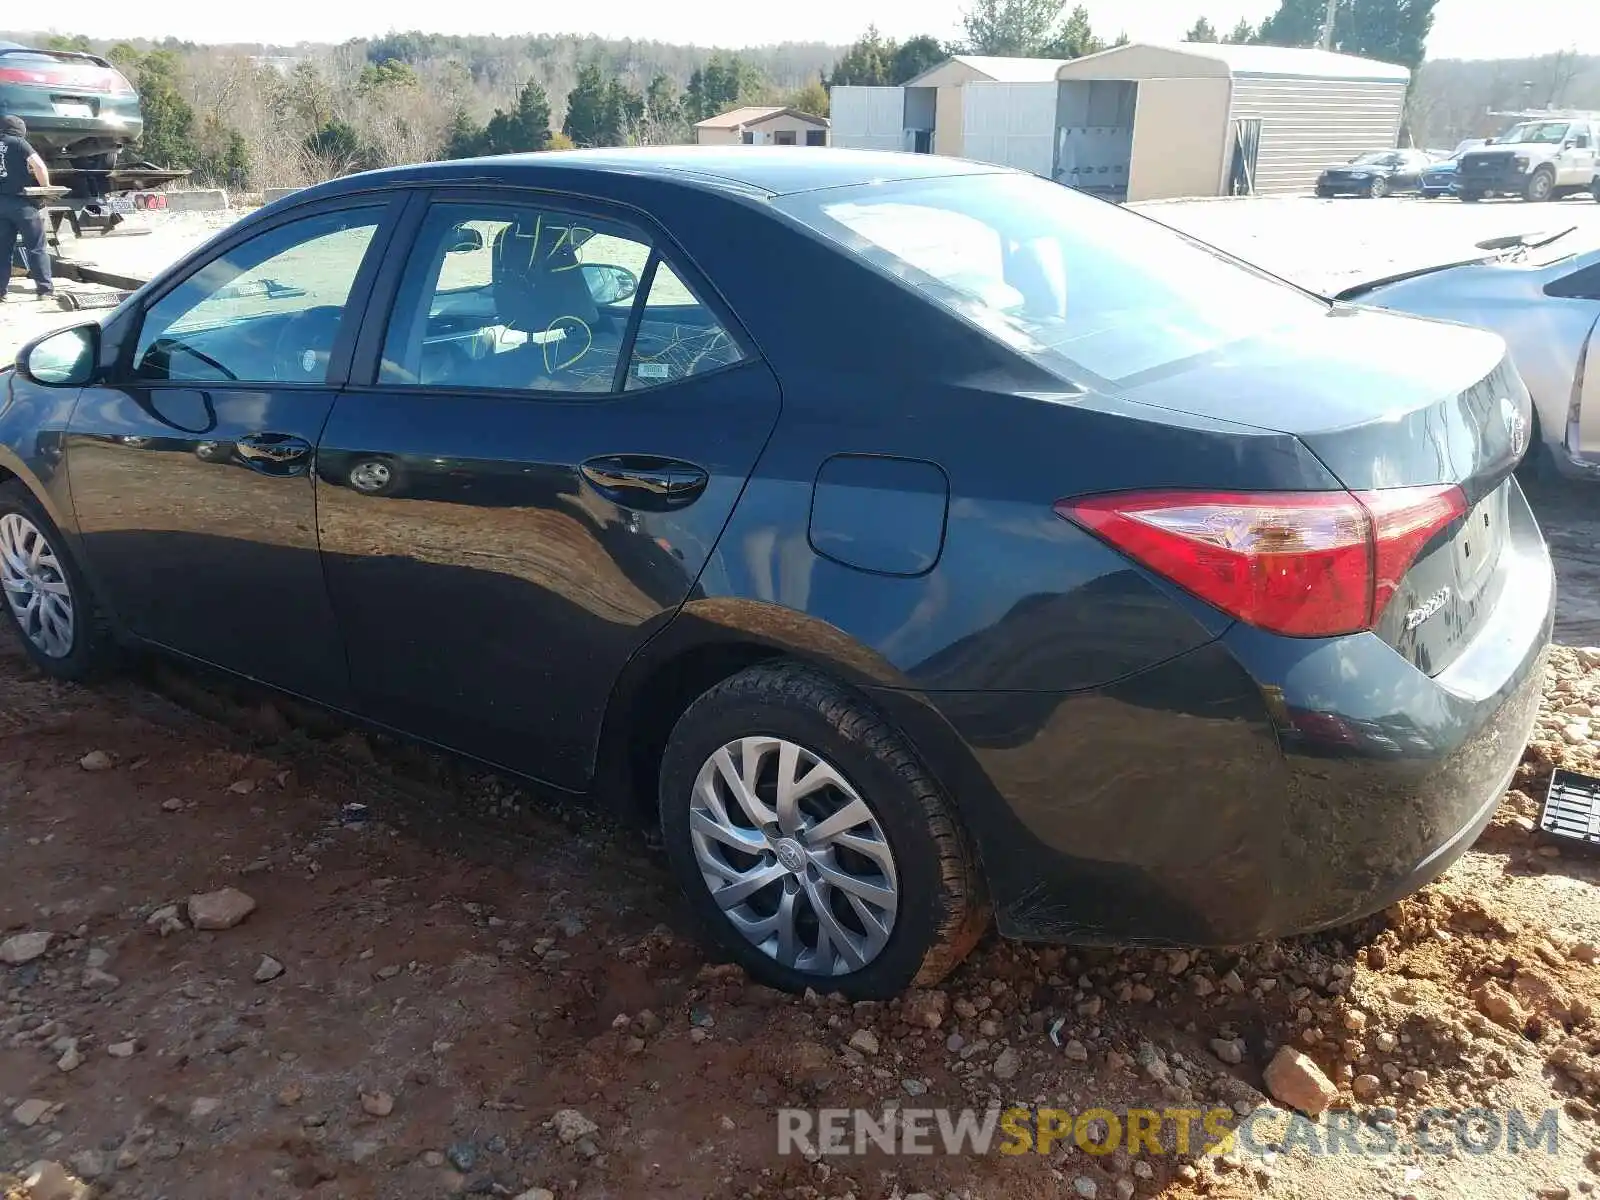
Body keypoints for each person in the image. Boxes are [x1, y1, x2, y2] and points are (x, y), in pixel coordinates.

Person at [0, 115, 54, 301]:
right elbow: (39, 166)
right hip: (22, 204)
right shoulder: (19, 143)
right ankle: (45, 290)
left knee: (3, 250)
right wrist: (45, 191)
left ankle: (1, 292)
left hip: (1, 205)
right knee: (36, 247)